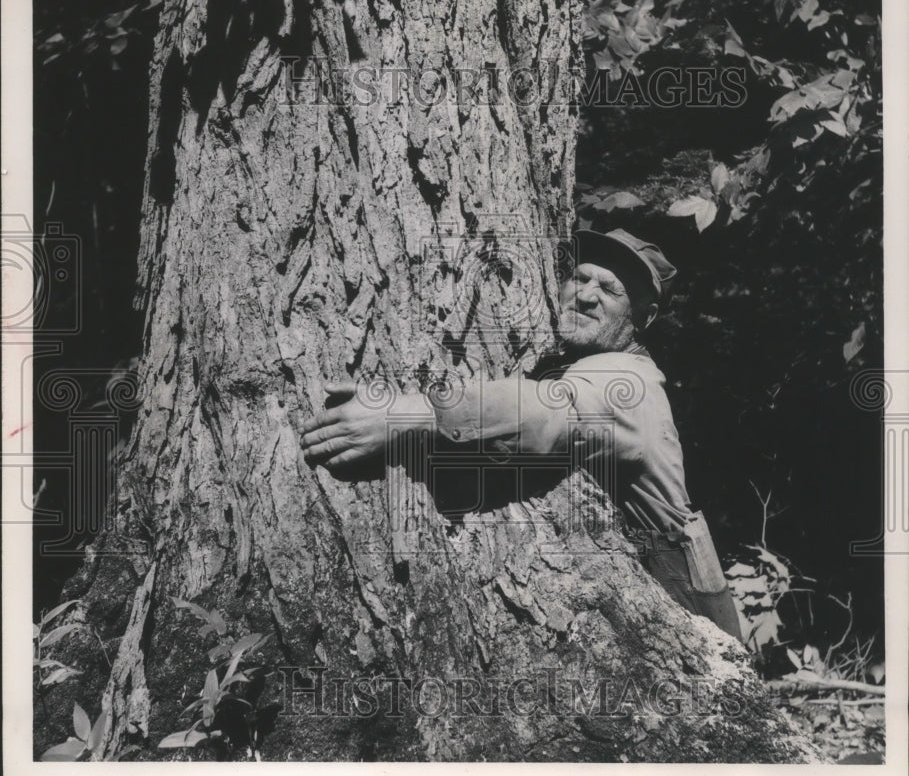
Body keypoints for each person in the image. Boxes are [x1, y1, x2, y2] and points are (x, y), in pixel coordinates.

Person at [301, 227, 743, 641]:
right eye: (579, 277)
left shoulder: (629, 380)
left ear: (642, 317)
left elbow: (548, 413)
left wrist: (404, 412)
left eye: (610, 290)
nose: (586, 295)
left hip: (681, 605)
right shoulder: (583, 364)